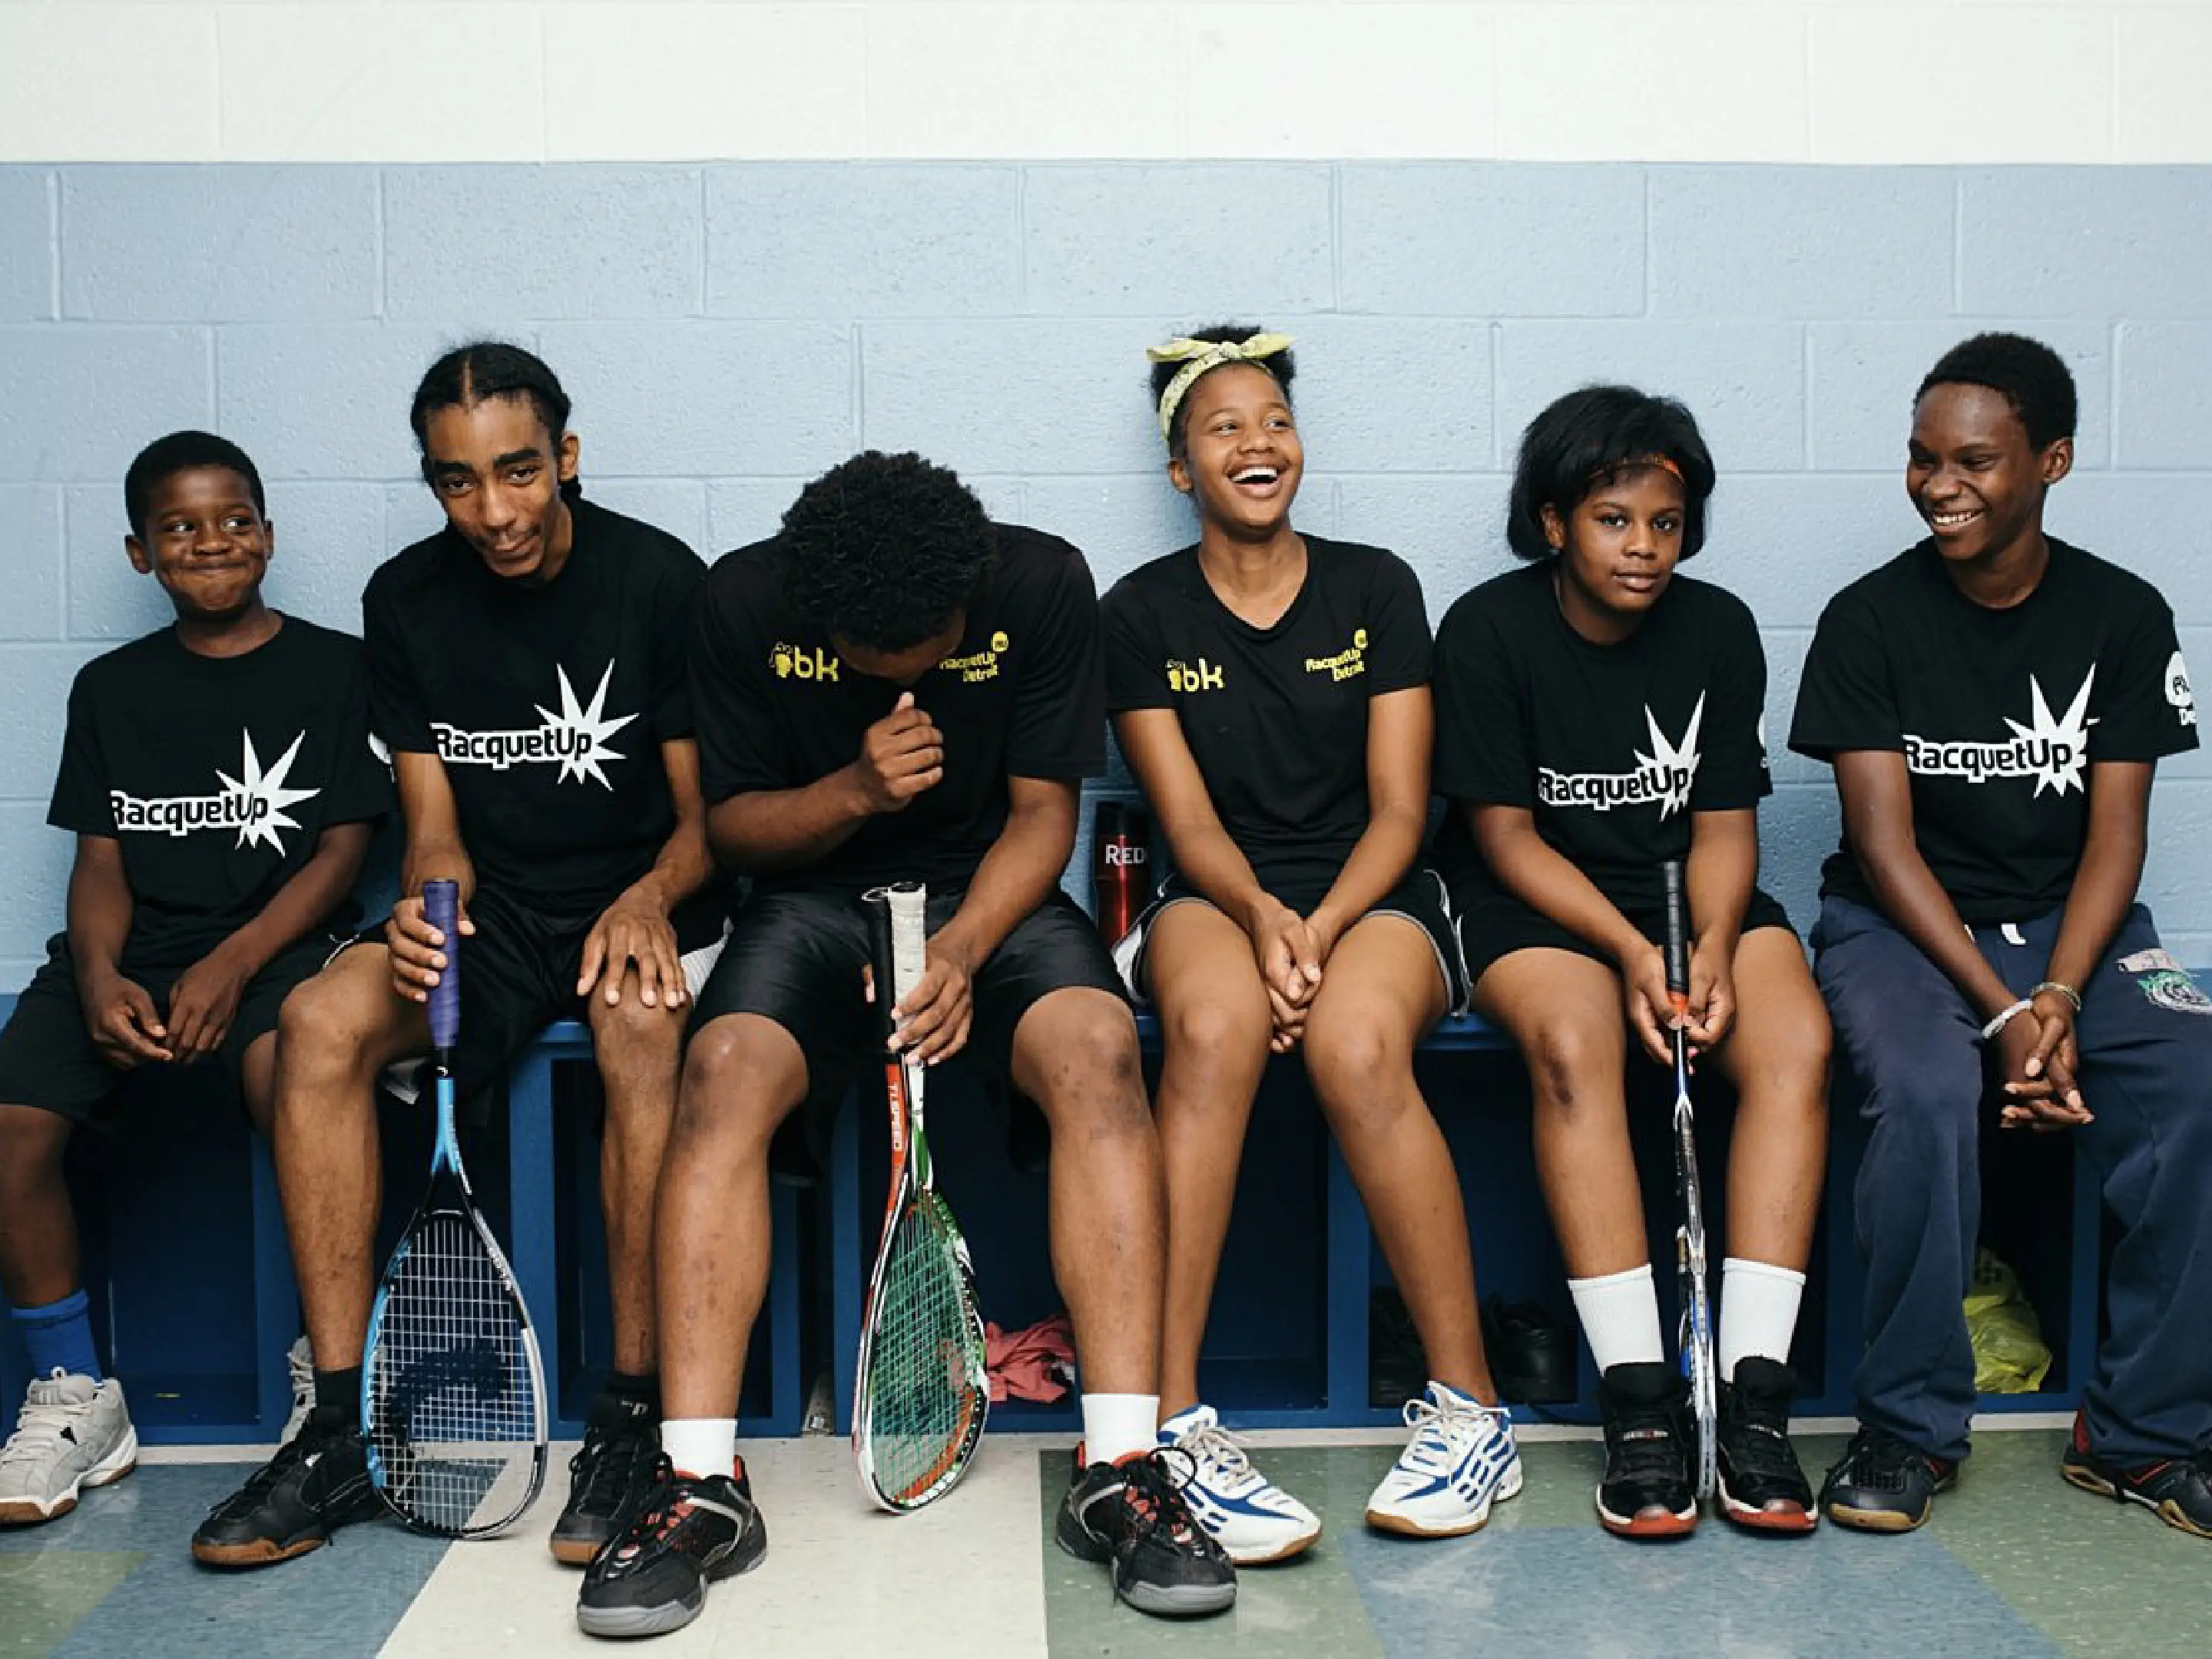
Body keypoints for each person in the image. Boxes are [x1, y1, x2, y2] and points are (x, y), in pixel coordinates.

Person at [576, 449, 1233, 1639]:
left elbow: (1044, 815)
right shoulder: (740, 601)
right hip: (811, 903)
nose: (931, 665)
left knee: (1096, 1046)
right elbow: (732, 830)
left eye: (945, 642)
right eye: (898, 660)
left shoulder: (1037, 584)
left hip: (994, 900)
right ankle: (696, 1485)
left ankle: (1125, 1471)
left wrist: (967, 949)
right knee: (719, 1075)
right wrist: (858, 794)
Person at [191, 344, 720, 1568]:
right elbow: (432, 824)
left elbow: (707, 826)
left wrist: (645, 899)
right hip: (502, 916)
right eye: (459, 482)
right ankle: (346, 1435)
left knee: (640, 1028)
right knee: (318, 1028)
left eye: (519, 473)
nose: (493, 513)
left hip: (646, 898)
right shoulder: (409, 598)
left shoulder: (658, 581)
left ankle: (633, 1420)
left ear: (566, 460)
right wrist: (432, 900)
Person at [1099, 327, 1515, 1561]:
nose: (1257, 443)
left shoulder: (1376, 586)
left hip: (1372, 893)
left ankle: (1470, 1412)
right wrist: (1267, 923)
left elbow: (1403, 809)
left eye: (1274, 420)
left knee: (1352, 1041)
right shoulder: (1141, 613)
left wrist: (1322, 928)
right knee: (1217, 1030)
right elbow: (1184, 823)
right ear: (1183, 469)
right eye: (1224, 427)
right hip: (1217, 896)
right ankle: (1169, 1427)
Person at [1792, 333, 2212, 1539]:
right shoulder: (1868, 616)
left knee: (2195, 1077)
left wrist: (2065, 996)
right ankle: (1909, 1429)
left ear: (2053, 461)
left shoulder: (2123, 614)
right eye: (1922, 459)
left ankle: (2144, 1435)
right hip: (1905, 929)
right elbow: (1884, 847)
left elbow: (2115, 838)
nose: (1939, 484)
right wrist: (2004, 1007)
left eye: (1973, 459)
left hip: (2079, 932)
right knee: (1924, 1090)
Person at [1432, 386, 1832, 1538]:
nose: (1645, 547)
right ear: (1555, 521)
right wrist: (1624, 952)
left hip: (1691, 905)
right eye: (1616, 521)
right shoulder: (1489, 630)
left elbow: (1722, 833)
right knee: (1575, 1040)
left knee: (1796, 1039)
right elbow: (1503, 837)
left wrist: (1705, 952)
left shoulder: (1718, 629)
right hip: (1538, 905)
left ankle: (1752, 1405)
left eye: (1665, 522)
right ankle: (1643, 1406)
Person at [0, 432, 386, 1528]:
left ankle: (333, 1373)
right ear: (140, 553)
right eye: (181, 527)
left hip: (281, 952)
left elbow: (343, 854)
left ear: (268, 534)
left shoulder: (334, 666)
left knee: (297, 1089)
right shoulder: (112, 688)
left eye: (233, 520)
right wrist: (100, 973)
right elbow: (101, 862)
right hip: (140, 957)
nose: (211, 541)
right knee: (14, 1122)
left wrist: (234, 960)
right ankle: (74, 1393)